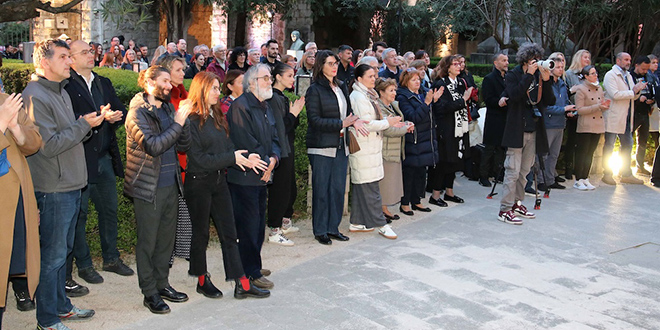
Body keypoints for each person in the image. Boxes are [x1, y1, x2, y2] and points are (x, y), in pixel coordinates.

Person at [25, 38, 98, 330]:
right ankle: (47, 319)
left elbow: (69, 133)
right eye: (64, 57)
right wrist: (84, 126)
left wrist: (86, 126)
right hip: (54, 189)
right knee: (52, 257)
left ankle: (62, 307)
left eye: (70, 56)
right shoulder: (35, 96)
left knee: (62, 252)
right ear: (45, 63)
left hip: (71, 184)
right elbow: (50, 146)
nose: (70, 62)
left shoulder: (61, 91)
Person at [183, 71, 270, 299]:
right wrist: (233, 159)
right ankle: (202, 279)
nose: (217, 92)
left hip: (219, 182)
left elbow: (228, 147)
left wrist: (246, 158)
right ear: (201, 90)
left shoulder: (217, 116)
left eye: (217, 88)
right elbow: (199, 159)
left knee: (230, 234)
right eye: (212, 88)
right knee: (200, 234)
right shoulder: (191, 120)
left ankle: (241, 283)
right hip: (197, 183)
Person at [63, 41, 134, 290]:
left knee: (109, 211)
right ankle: (84, 265)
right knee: (79, 216)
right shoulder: (66, 85)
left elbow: (119, 108)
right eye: (83, 52)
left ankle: (111, 258)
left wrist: (114, 116)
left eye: (91, 51)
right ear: (70, 58)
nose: (90, 55)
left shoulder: (103, 82)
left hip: (104, 157)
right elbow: (66, 122)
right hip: (79, 159)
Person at [125, 65, 191, 314]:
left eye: (169, 81)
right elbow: (153, 146)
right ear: (148, 82)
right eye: (164, 80)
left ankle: (162, 284)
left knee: (166, 240)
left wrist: (183, 125)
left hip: (171, 184)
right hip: (148, 187)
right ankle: (149, 291)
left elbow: (181, 144)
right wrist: (178, 124)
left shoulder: (168, 108)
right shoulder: (137, 113)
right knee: (148, 242)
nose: (169, 85)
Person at [226, 63, 281, 288]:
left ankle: (253, 263)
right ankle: (249, 272)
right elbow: (245, 141)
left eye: (269, 78)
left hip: (262, 174)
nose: (270, 81)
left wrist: (274, 159)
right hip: (245, 177)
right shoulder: (240, 107)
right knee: (248, 226)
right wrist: (266, 162)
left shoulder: (265, 106)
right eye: (265, 78)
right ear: (252, 83)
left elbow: (275, 137)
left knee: (258, 225)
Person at [306, 50, 367, 245]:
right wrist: (342, 123)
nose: (334, 67)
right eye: (330, 63)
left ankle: (333, 228)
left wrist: (353, 121)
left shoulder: (341, 86)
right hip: (322, 146)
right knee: (322, 190)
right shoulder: (314, 89)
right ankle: (320, 230)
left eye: (335, 63)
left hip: (341, 145)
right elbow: (314, 121)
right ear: (320, 65)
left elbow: (348, 112)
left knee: (337, 189)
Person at [497, 43, 555, 225]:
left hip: (534, 128)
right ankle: (504, 209)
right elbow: (514, 95)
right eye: (532, 61)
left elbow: (549, 101)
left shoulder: (539, 75)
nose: (536, 64)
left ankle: (516, 203)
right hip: (516, 129)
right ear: (525, 60)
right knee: (512, 171)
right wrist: (529, 74)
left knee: (524, 171)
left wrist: (545, 80)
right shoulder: (514, 74)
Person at [347, 64, 403, 239]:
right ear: (359, 78)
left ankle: (356, 221)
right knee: (371, 188)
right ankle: (381, 224)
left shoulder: (367, 94)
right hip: (364, 147)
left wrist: (388, 120)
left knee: (363, 186)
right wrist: (389, 123)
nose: (374, 78)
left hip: (369, 147)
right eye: (370, 76)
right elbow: (366, 123)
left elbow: (373, 119)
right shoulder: (358, 96)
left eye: (374, 75)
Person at [0, 92, 41, 328]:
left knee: (10, 264)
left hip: (14, 198)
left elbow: (35, 141)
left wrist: (15, 127)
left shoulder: (8, 100)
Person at [266, 64, 305, 246]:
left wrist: (293, 114)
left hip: (286, 148)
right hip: (279, 150)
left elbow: (290, 126)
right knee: (279, 191)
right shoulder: (273, 98)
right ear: (278, 77)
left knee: (289, 189)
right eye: (289, 75)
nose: (292, 79)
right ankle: (274, 229)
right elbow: (280, 128)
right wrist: (293, 114)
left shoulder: (281, 97)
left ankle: (284, 222)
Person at [525, 53, 570, 192]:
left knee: (554, 155)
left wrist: (568, 110)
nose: (560, 69)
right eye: (557, 66)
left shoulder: (562, 84)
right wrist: (563, 109)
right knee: (543, 155)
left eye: (562, 66)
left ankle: (550, 180)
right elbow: (545, 105)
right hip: (548, 123)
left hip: (560, 123)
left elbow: (565, 101)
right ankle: (540, 180)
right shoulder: (544, 83)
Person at [396, 68, 439, 216]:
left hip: (425, 138)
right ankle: (405, 202)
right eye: (413, 80)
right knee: (410, 172)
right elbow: (412, 117)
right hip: (412, 140)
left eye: (418, 79)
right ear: (406, 82)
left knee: (421, 171)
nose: (417, 82)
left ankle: (417, 200)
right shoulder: (403, 97)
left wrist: (433, 101)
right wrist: (427, 103)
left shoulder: (421, 94)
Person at [428, 55, 469, 207]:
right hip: (445, 128)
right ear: (447, 67)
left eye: (460, 64)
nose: (459, 66)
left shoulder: (459, 82)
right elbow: (440, 108)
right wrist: (462, 101)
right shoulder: (440, 84)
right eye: (455, 64)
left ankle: (449, 192)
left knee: (454, 161)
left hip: (457, 128)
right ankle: (435, 194)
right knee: (443, 162)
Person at [602, 52, 646, 185]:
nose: (628, 62)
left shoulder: (628, 75)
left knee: (628, 144)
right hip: (614, 115)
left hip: (626, 116)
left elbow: (633, 95)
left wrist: (637, 91)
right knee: (609, 145)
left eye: (630, 60)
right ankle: (607, 173)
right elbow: (615, 94)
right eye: (626, 60)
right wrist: (633, 92)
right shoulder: (610, 75)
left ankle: (626, 173)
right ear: (618, 60)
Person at [376, 78, 412, 221]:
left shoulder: (392, 106)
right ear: (381, 92)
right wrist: (405, 128)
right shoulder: (379, 107)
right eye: (391, 90)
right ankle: (382, 209)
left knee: (391, 182)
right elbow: (388, 129)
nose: (394, 93)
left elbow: (397, 124)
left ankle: (385, 208)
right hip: (386, 150)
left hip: (395, 149)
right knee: (385, 183)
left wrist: (405, 124)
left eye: (394, 90)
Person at [572, 65, 610, 190]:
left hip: (598, 125)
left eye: (595, 73)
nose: (595, 75)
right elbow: (579, 109)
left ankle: (585, 177)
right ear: (586, 76)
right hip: (586, 125)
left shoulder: (599, 88)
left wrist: (603, 106)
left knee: (590, 153)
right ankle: (578, 179)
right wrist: (597, 106)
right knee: (582, 153)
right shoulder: (581, 89)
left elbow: (601, 102)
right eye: (592, 73)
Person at [480, 52, 509, 187]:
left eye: (507, 60)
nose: (506, 63)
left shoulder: (508, 78)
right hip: (494, 118)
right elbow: (487, 98)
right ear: (496, 63)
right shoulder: (489, 79)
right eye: (503, 60)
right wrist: (499, 102)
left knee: (502, 148)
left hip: (506, 118)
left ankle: (499, 174)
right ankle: (483, 176)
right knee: (490, 148)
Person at [564, 49, 591, 179]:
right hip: (574, 113)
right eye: (585, 57)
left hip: (587, 113)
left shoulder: (590, 75)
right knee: (571, 142)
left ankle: (578, 170)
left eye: (589, 57)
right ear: (578, 58)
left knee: (583, 144)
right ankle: (568, 170)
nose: (587, 59)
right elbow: (565, 94)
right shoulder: (569, 74)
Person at [629, 55, 655, 175]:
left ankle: (640, 165)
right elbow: (627, 93)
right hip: (633, 111)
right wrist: (637, 98)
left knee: (643, 141)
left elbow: (651, 90)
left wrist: (652, 100)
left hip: (645, 111)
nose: (645, 71)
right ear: (636, 65)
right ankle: (624, 167)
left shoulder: (648, 77)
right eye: (643, 69)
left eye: (647, 69)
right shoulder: (630, 76)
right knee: (628, 140)